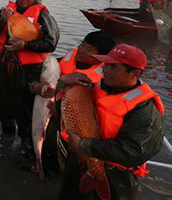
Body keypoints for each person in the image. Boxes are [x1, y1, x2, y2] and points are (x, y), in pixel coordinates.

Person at [58, 44, 164, 200]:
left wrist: (85, 146)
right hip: (80, 161)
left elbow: (134, 150)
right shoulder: (95, 86)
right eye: (105, 64)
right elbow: (62, 107)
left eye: (113, 66)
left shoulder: (144, 109)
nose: (105, 70)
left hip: (116, 176)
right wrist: (63, 82)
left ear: (135, 74)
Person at [0, 0, 60, 162]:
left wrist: (25, 45)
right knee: (2, 105)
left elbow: (51, 43)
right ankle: (7, 135)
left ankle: (27, 147)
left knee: (24, 109)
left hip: (28, 71)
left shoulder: (43, 16)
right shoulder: (4, 11)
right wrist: (2, 20)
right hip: (4, 67)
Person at [39, 31, 116, 174]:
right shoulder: (68, 58)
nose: (82, 50)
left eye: (89, 49)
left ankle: (57, 171)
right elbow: (46, 70)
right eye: (82, 44)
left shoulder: (103, 79)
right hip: (51, 106)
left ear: (100, 57)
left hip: (72, 121)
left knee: (61, 154)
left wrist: (60, 111)